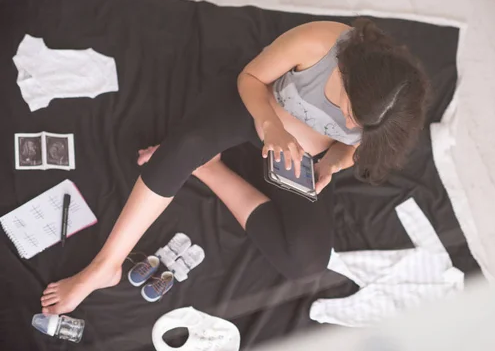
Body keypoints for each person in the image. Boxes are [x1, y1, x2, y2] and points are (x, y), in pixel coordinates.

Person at [40, 19, 430, 315]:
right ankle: (103, 267)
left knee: (306, 261)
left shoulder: (389, 116)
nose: (348, 125)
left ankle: (210, 169)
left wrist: (331, 164)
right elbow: (251, 78)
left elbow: (358, 152)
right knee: (182, 148)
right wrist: (270, 126)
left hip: (298, 161)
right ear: (350, 75)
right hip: (255, 111)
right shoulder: (321, 42)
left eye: (359, 125)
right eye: (348, 112)